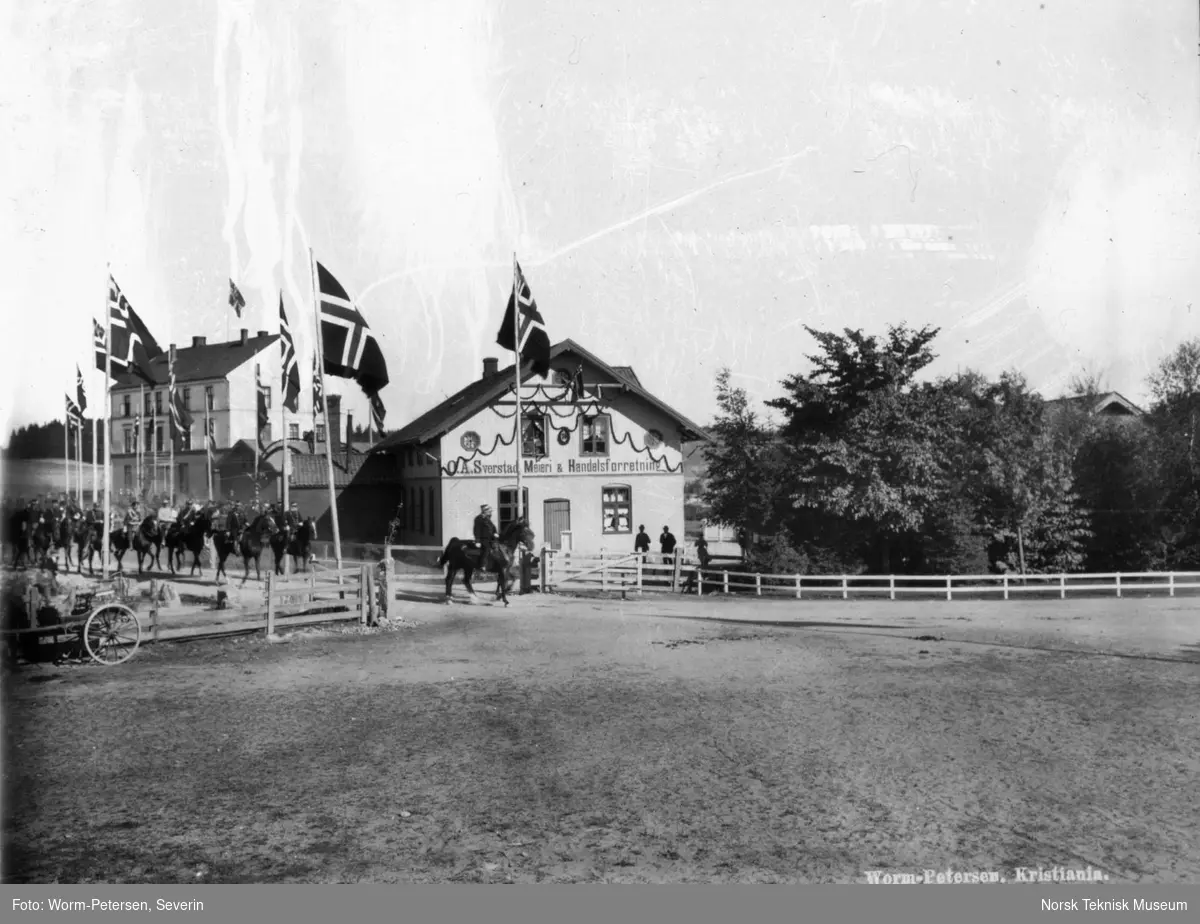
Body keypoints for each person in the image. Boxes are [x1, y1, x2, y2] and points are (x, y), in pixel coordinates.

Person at [474, 503, 498, 569]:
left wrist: (495, 533)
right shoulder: (478, 518)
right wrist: (477, 541)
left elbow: (493, 527)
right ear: (484, 511)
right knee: (486, 549)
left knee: (498, 548)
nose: (490, 512)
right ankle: (483, 565)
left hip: (491, 539)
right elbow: (477, 530)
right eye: (489, 511)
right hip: (483, 539)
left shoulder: (487, 518)